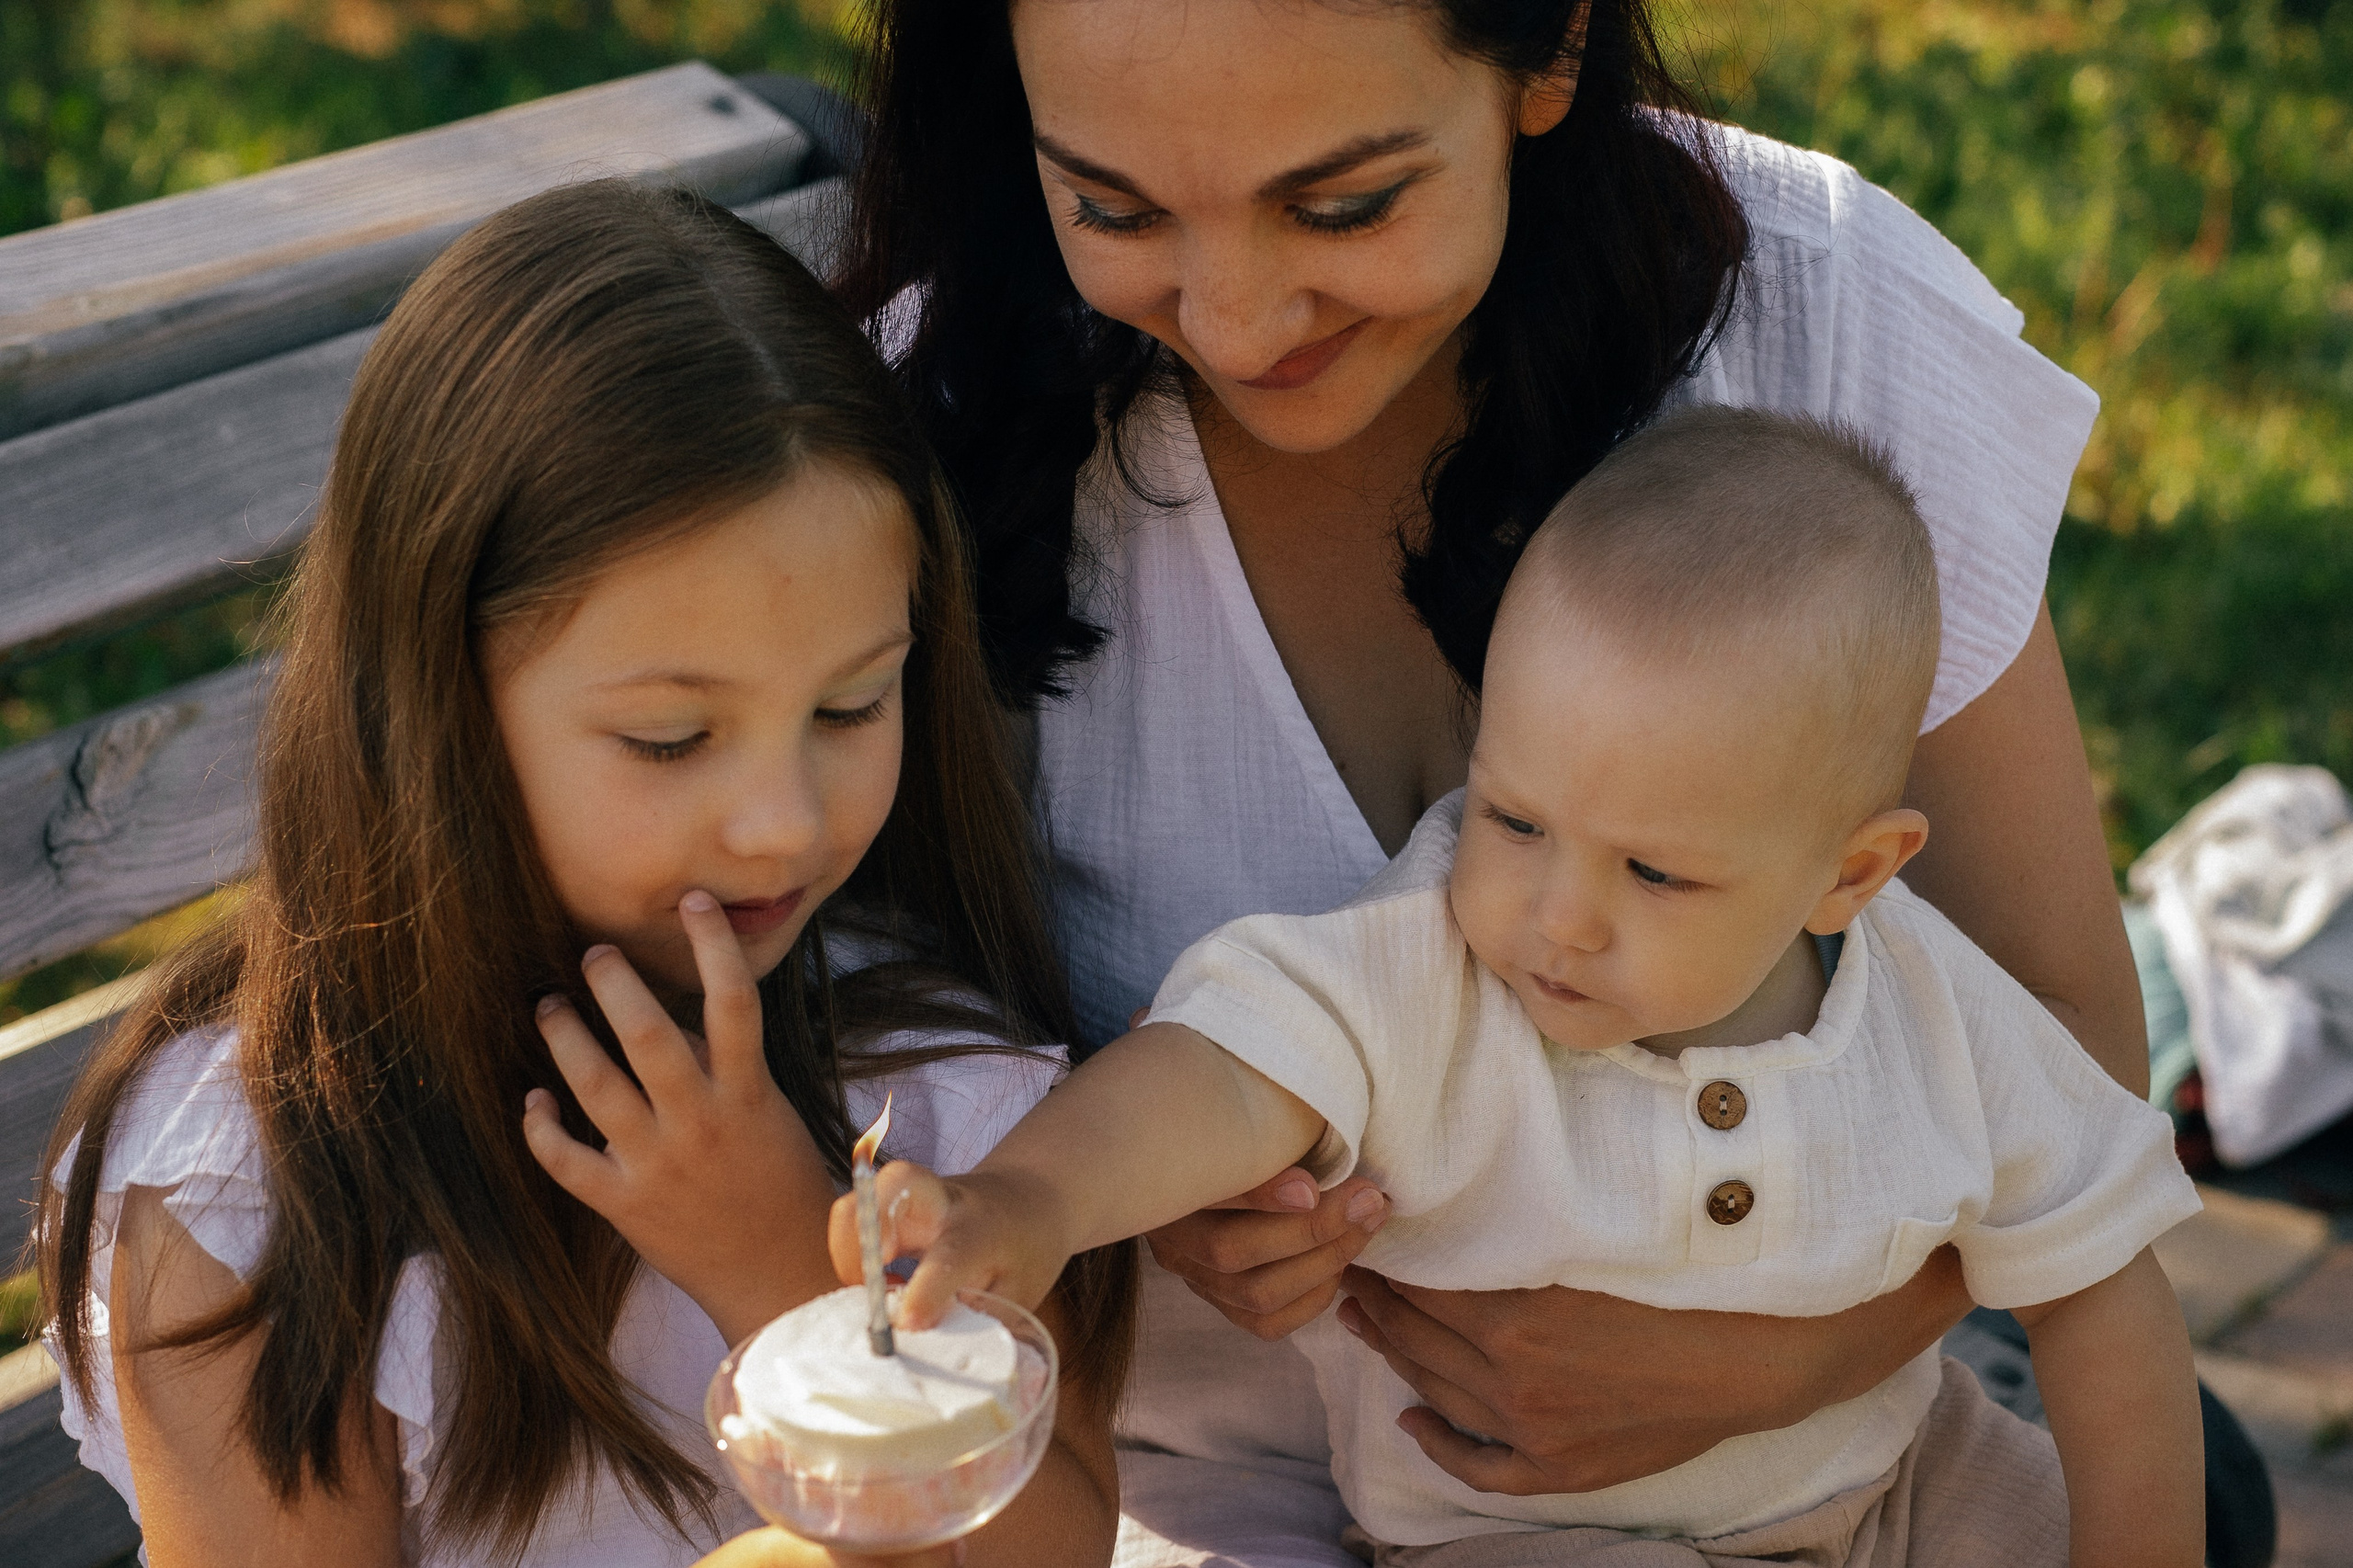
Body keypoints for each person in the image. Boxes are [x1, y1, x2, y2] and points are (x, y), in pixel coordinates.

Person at [835, 4, 2163, 1560]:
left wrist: (1774, 1363)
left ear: (1549, 55)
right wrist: (1097, 1200)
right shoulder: (917, 427)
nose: (1242, 316)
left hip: (1859, 1438)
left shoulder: (1822, 315)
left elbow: (2071, 1066)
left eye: (1344, 203)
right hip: (1209, 1486)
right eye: (1113, 208)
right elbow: (864, 1041)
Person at [34, 179, 1128, 1568]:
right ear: (434, 709)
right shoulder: (263, 1204)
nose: (784, 823)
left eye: (852, 706)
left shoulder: (936, 1112)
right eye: (673, 738)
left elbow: (1059, 1548)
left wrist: (794, 1269)